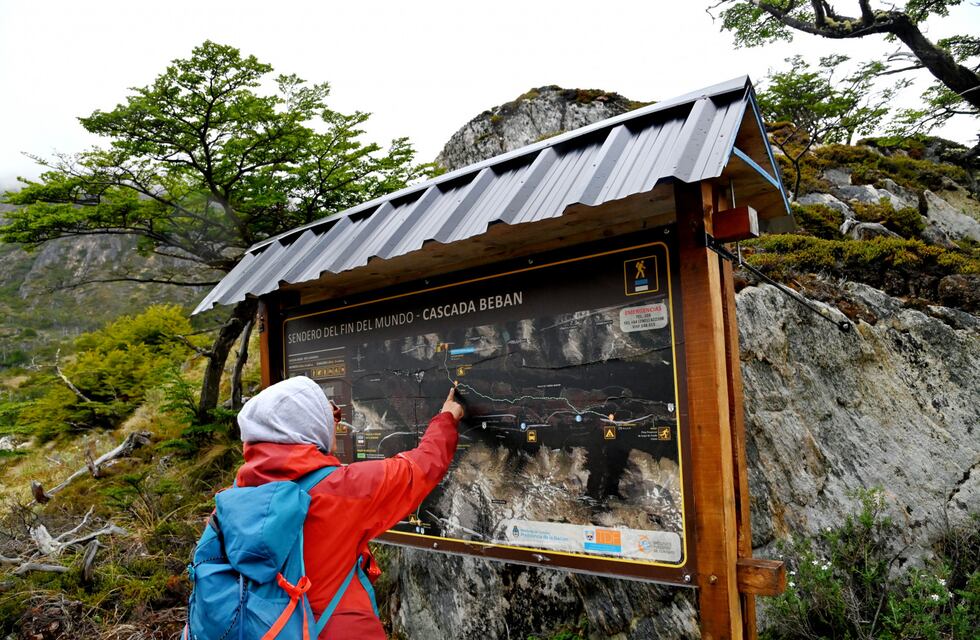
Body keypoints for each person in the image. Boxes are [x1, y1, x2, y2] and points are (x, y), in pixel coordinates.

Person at [234, 375, 464, 639]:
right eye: (331, 414)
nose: (337, 421)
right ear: (306, 427)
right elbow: (419, 468)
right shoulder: (340, 490)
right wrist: (446, 418)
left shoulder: (240, 492)